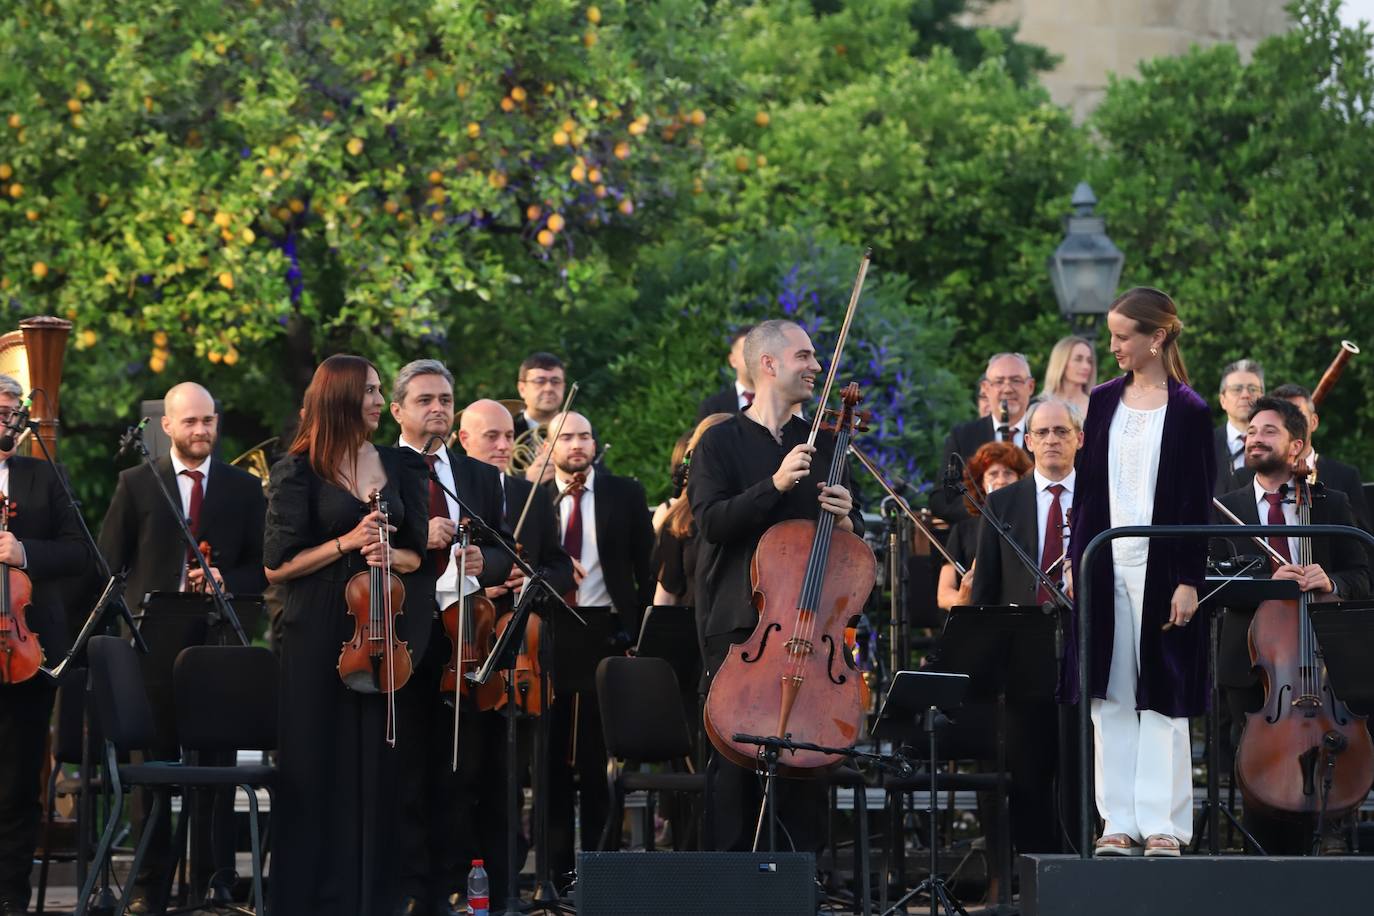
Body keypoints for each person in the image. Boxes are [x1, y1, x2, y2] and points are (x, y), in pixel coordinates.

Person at [264, 355, 435, 916]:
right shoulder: (298, 469)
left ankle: (373, 899)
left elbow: (417, 555)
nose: (380, 401)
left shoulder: (397, 465)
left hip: (380, 632)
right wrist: (346, 542)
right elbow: (277, 566)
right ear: (338, 396)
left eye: (381, 390)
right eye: (369, 390)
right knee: (318, 765)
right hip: (316, 634)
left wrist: (394, 552)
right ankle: (314, 900)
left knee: (379, 766)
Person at [688, 319, 865, 852]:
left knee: (804, 769)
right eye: (804, 356)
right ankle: (728, 895)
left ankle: (798, 887)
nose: (816, 367)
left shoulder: (830, 442)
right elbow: (712, 524)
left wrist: (849, 521)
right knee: (734, 776)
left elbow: (844, 558)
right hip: (742, 629)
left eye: (816, 358)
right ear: (768, 364)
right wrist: (776, 484)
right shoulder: (718, 441)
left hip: (811, 633)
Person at [97, 381, 267, 912]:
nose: (201, 431)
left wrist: (223, 577)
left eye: (208, 421)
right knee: (156, 772)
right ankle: (151, 885)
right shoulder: (137, 483)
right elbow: (108, 565)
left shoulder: (243, 488)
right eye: (190, 422)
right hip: (153, 648)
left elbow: (262, 568)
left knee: (216, 770)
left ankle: (214, 879)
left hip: (218, 650)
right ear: (166, 425)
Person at [1067, 287, 1215, 858]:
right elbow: (1087, 493)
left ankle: (1164, 823)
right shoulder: (1102, 400)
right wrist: (1081, 559)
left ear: (1156, 337)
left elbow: (1195, 503)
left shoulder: (1191, 411)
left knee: (1164, 692)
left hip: (1163, 569)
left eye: (1123, 336)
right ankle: (1117, 821)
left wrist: (1188, 580)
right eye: (1111, 335)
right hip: (1105, 562)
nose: (1114, 347)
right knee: (1112, 696)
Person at [1213, 397, 1369, 854]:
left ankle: (1332, 835)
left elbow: (1363, 575)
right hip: (1254, 667)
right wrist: (1266, 583)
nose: (1253, 438)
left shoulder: (1330, 503)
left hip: (1324, 665)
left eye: (1268, 431)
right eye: (1251, 430)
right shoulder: (1228, 507)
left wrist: (1333, 580)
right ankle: (1260, 858)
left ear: (1297, 445)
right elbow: (1210, 584)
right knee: (1258, 775)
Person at [388, 361, 514, 916]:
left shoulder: (480, 475)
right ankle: (412, 889)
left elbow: (506, 549)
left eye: (445, 398)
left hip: (468, 636)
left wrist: (487, 563)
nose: (437, 408)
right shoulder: (382, 467)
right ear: (397, 411)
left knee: (459, 769)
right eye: (424, 400)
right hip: (402, 634)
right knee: (407, 769)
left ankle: (451, 887)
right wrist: (421, 535)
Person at [540, 410, 654, 881]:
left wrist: (638, 634)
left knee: (596, 759)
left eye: (585, 435)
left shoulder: (624, 493)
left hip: (604, 631)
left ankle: (599, 872)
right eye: (566, 437)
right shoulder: (533, 498)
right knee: (549, 759)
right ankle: (554, 871)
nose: (577, 444)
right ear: (549, 447)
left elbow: (647, 571)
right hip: (547, 632)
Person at [967, 398, 1082, 859]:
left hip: (1086, 653)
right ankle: (1036, 880)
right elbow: (987, 592)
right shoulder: (1001, 502)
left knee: (1084, 772)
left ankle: (1085, 874)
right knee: (1029, 777)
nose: (1052, 440)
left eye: (1062, 431)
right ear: (1028, 441)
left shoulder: (1104, 497)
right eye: (1043, 432)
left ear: (1079, 438)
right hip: (1023, 659)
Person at [0, 374, 90, 916]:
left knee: (16, 779)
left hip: (22, 647)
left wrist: (23, 552)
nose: (6, 414)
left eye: (12, 407)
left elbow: (81, 552)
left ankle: (9, 894)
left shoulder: (43, 475)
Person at [929, 353, 1035, 523]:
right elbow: (941, 500)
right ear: (985, 388)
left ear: (1030, 386)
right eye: (999, 382)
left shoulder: (1044, 434)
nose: (1007, 389)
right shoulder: (963, 436)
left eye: (1016, 380)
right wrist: (985, 509)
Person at [934, 441, 1030, 611]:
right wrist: (963, 599)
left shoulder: (1032, 522)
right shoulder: (963, 530)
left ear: (1021, 480)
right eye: (993, 474)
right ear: (981, 484)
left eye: (1008, 473)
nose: (1001, 480)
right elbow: (943, 594)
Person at [1269, 382, 1373, 532]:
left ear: (1314, 422)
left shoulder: (1346, 477)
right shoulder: (1248, 477)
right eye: (1282, 419)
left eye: (1298, 417)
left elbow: (1363, 542)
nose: (1290, 426)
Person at [1213, 359, 1265, 496]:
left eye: (1253, 389)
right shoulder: (1200, 446)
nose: (1245, 395)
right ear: (1222, 400)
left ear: (1263, 398)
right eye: (1237, 389)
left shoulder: (1278, 446)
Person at [515, 353, 566, 485]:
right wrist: (526, 479)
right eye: (540, 381)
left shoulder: (580, 430)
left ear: (564, 387)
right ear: (522, 389)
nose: (549, 388)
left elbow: (600, 476)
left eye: (555, 381)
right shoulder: (507, 431)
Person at [696, 325, 755, 420]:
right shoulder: (712, 408)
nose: (754, 358)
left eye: (758, 352)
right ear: (733, 360)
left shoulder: (782, 405)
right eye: (747, 352)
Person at [1041, 336, 1096, 419]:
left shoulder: (1098, 406)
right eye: (1078, 359)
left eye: (1089, 361)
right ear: (1061, 362)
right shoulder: (1040, 404)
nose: (1086, 366)